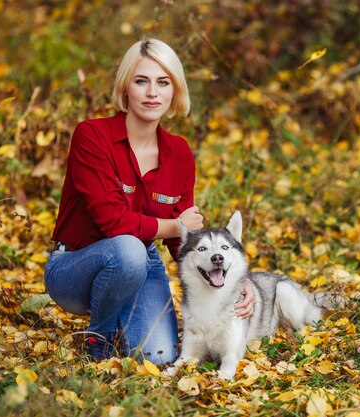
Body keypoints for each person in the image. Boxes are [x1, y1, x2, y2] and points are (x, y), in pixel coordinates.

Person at [44, 38, 254, 365]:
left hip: (142, 262)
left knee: (158, 357)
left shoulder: (180, 153)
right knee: (127, 249)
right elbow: (113, 222)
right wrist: (175, 225)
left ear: (175, 91)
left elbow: (179, 242)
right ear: (125, 88)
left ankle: (120, 324)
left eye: (163, 82)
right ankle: (99, 338)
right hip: (74, 266)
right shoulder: (91, 136)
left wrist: (233, 282)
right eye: (141, 81)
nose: (152, 92)